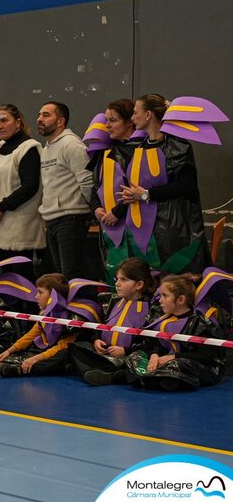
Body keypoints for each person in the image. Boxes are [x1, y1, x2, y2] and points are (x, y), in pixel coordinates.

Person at [119, 94, 209, 274]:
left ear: (148, 115)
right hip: (144, 227)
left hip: (175, 227)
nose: (132, 117)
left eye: (136, 112)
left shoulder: (177, 147)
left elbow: (185, 186)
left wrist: (145, 194)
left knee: (174, 275)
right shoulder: (138, 147)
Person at [125, 274, 226, 391]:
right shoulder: (165, 320)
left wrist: (173, 357)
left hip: (200, 366)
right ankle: (154, 378)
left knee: (181, 364)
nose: (160, 300)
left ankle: (152, 379)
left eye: (165, 296)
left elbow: (206, 356)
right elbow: (161, 345)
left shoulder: (200, 323)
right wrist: (154, 356)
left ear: (181, 300)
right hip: (169, 361)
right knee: (135, 356)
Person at [0, 104, 44, 265]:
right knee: (0, 280)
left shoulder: (28, 148)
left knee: (18, 278)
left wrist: (2, 206)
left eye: (4, 120)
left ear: (18, 123)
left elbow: (30, 186)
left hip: (18, 229)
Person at [69, 258, 158, 385]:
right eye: (117, 279)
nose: (117, 284)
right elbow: (101, 327)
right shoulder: (113, 301)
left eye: (124, 279)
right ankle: (109, 372)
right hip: (107, 353)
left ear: (139, 285)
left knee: (136, 360)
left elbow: (150, 343)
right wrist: (96, 340)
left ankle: (110, 374)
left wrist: (125, 350)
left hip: (128, 356)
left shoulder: (151, 308)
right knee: (76, 347)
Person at [0, 273, 76, 377]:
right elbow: (30, 336)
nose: (36, 297)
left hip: (59, 354)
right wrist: (9, 350)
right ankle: (9, 366)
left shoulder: (68, 319)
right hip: (46, 349)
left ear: (53, 296)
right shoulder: (44, 315)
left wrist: (36, 358)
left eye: (40, 293)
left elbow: (61, 347)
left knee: (58, 357)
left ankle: (19, 370)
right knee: (12, 355)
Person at [36, 102, 94, 279]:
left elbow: (87, 180)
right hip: (52, 219)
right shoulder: (46, 148)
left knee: (72, 275)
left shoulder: (72, 145)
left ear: (60, 121)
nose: (39, 119)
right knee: (61, 276)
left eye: (46, 115)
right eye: (39, 114)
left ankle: (80, 307)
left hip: (71, 218)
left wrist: (89, 209)